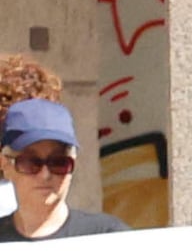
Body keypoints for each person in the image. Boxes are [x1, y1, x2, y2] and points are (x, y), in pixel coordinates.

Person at [2, 96, 115, 241]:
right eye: (30, 162)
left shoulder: (109, 239)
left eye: (59, 162)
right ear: (5, 164)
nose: (45, 175)